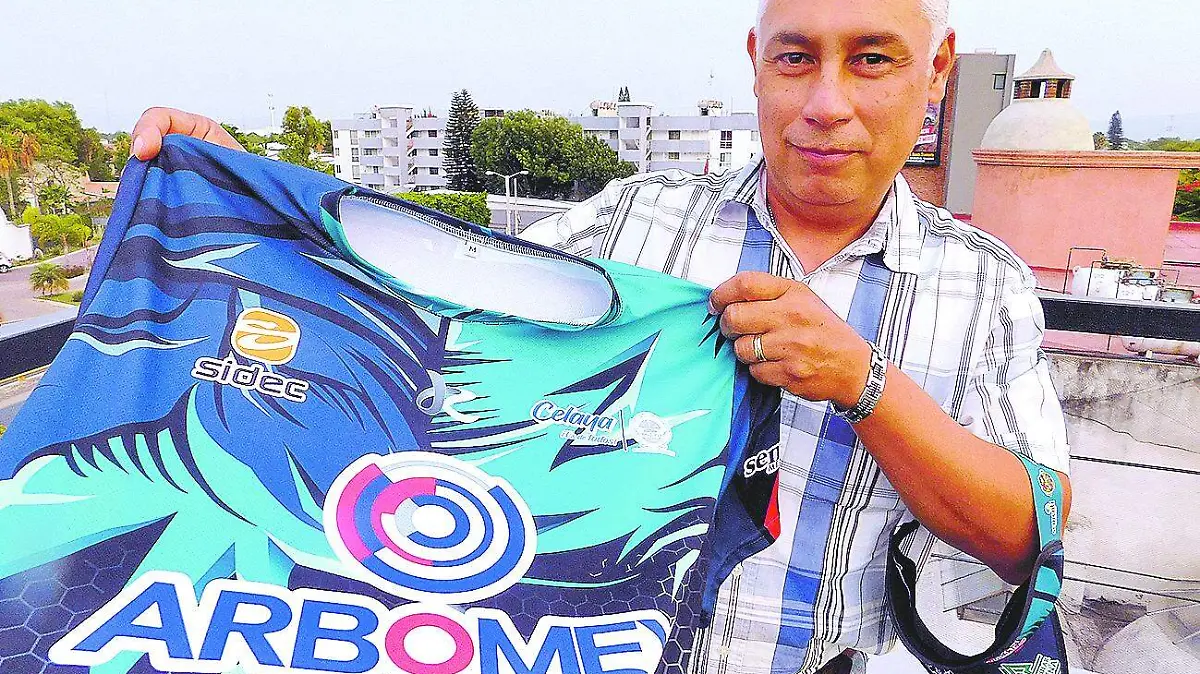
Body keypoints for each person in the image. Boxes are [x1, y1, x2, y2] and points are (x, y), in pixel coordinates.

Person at [129, 1, 1073, 672]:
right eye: (796, 59)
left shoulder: (982, 282)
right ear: (756, 60)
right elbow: (424, 303)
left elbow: (1026, 534)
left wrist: (867, 384)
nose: (827, 102)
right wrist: (243, 195)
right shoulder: (633, 225)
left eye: (872, 59)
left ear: (936, 70)